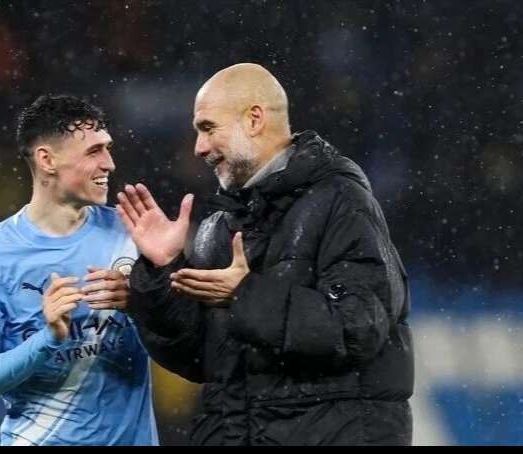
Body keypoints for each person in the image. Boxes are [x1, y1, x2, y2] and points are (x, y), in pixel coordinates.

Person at [116, 63, 413, 445]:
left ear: (254, 119)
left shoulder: (342, 201)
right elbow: (201, 361)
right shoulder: (219, 228)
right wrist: (162, 273)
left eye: (208, 128)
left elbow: (358, 329)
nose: (199, 147)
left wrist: (245, 294)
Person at [0, 95, 158, 446]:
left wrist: (148, 297)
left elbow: (187, 340)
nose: (109, 163)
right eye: (93, 152)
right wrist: (48, 339)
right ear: (47, 160)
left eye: (108, 148)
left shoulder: (132, 232)